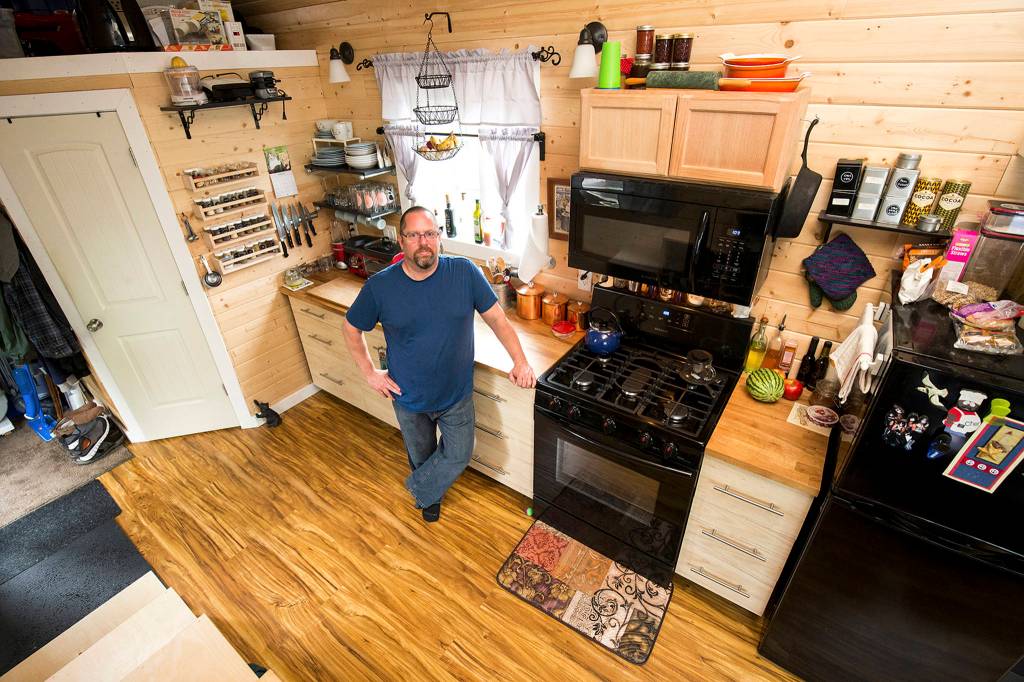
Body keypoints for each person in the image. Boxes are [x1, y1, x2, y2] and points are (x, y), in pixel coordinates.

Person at [342, 206, 536, 522]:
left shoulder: (464, 273)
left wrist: (521, 361)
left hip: (455, 394)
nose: (423, 242)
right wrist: (369, 373)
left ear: (439, 238)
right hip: (409, 397)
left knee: (458, 454)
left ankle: (421, 489)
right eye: (414, 235)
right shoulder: (380, 287)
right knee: (422, 457)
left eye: (430, 234)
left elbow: (498, 320)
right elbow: (351, 328)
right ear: (401, 240)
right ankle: (431, 495)